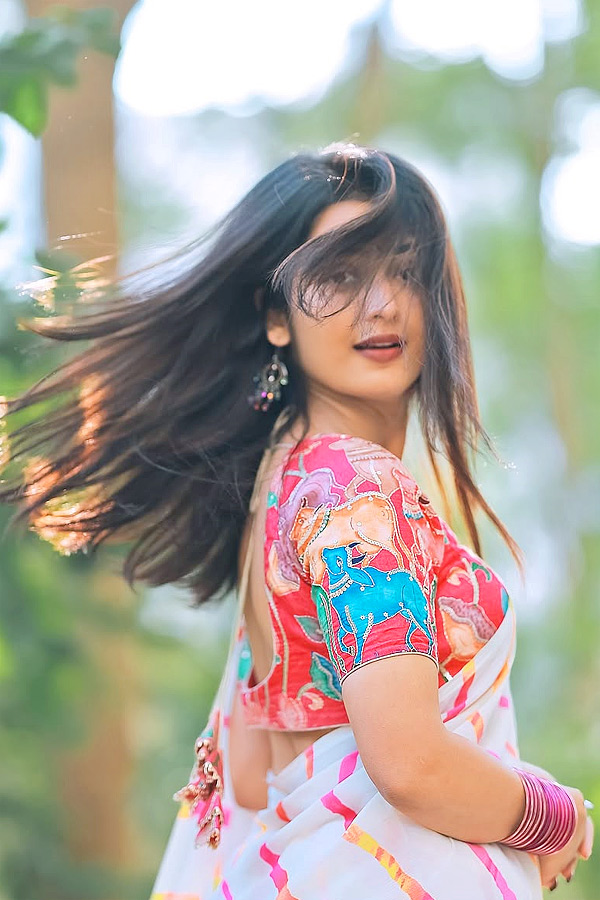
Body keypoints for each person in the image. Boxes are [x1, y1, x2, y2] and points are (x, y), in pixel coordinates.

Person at [0, 142, 594, 898]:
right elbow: (409, 764)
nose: (382, 303)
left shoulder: (279, 486)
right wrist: (554, 815)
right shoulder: (352, 488)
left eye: (406, 270)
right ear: (276, 316)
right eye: (339, 276)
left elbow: (254, 776)